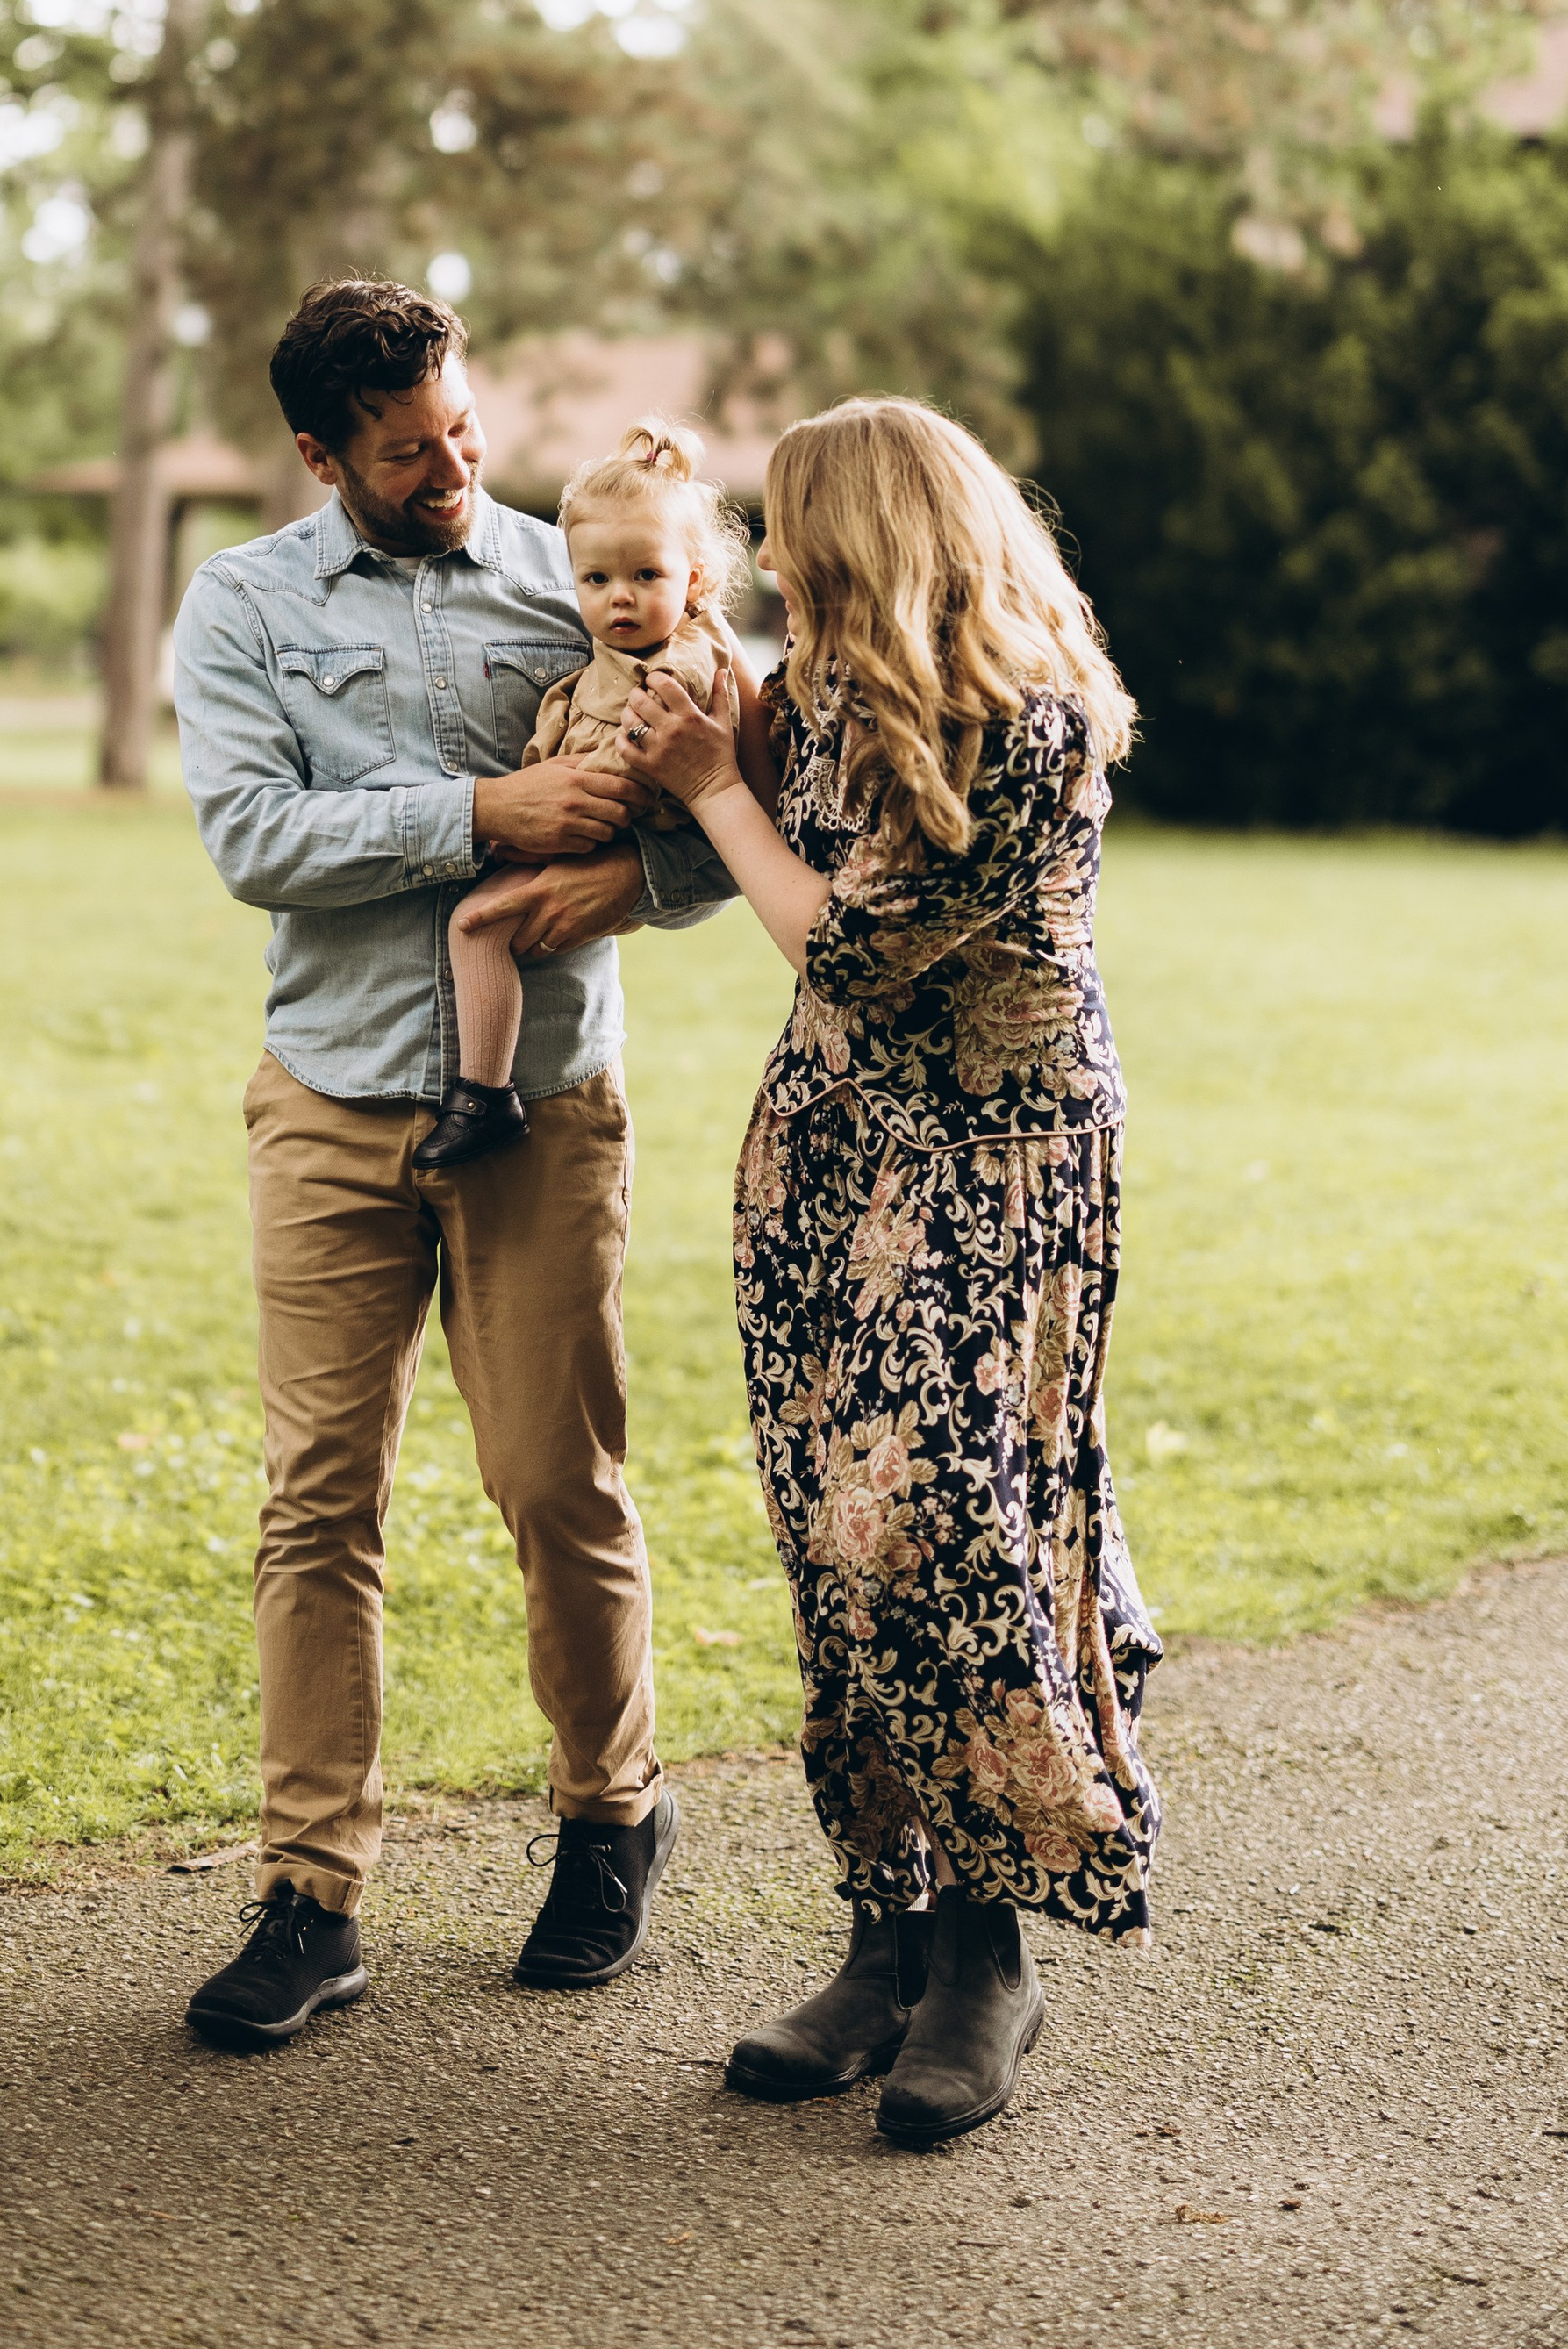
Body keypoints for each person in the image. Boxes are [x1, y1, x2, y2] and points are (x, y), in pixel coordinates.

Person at [169, 278, 731, 2052]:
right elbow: (253, 836)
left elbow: (727, 815)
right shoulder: (243, 603)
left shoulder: (583, 575)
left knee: (555, 1483)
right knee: (316, 1504)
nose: (453, 466)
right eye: (408, 450)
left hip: (541, 1112)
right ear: (319, 452)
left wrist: (624, 880)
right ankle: (309, 1895)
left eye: (463, 428)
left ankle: (611, 1816)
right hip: (329, 1104)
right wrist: (484, 814)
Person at [624, 394, 1160, 2150]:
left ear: (870, 535)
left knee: (927, 1533)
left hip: (989, 1160)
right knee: (827, 1546)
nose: (774, 566)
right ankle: (886, 1939)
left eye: (792, 536)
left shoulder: (1024, 719)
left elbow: (846, 949)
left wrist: (715, 785)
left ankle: (984, 1956)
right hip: (828, 1149)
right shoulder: (827, 688)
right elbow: (729, 834)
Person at [418, 415, 750, 1171]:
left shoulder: (679, 669)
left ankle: (484, 1094)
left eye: (646, 576)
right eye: (596, 580)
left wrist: (524, 828)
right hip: (582, 834)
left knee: (475, 924)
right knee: (480, 921)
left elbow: (625, 777)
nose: (619, 599)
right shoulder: (619, 654)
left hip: (605, 841)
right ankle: (483, 1088)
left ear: (695, 580)